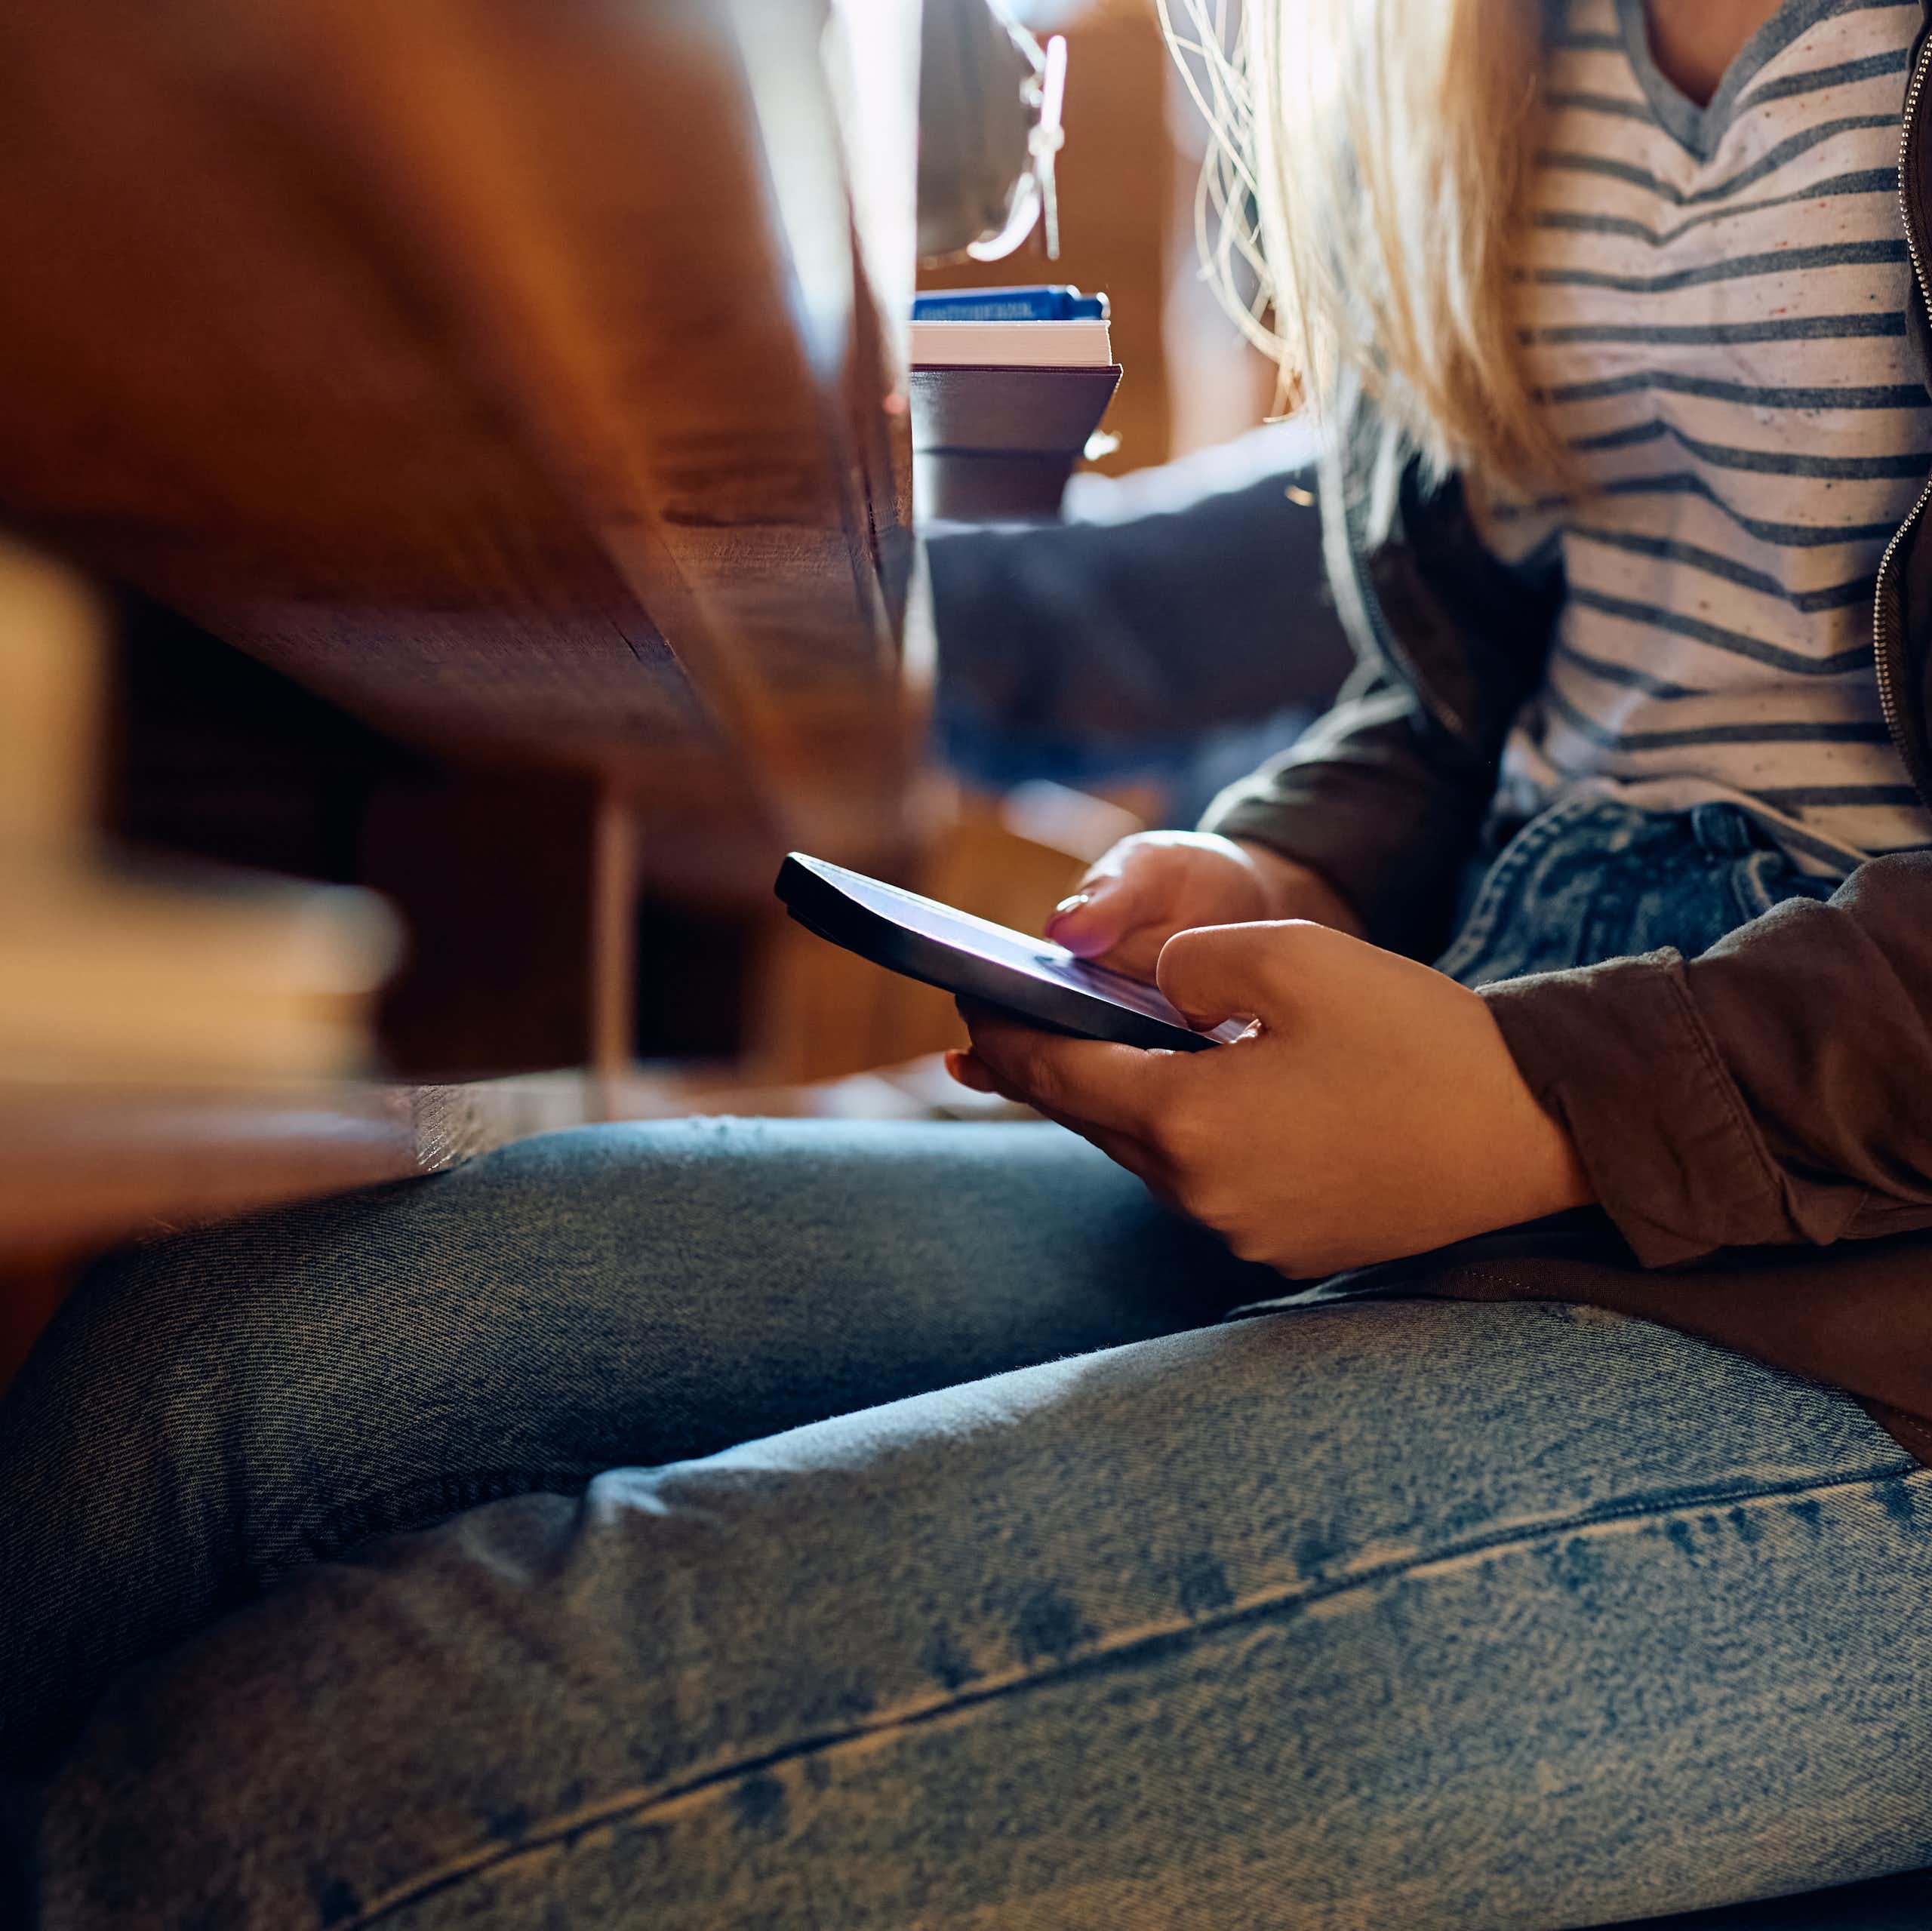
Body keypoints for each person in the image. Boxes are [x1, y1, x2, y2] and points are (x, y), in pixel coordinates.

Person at [11, 1, 1932, 1923]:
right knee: (198, 1399)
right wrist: (1284, 865)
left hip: (1856, 1314)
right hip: (1518, 1065)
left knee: (282, 1805)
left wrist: (1550, 1106)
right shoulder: (1506, 49)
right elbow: (1494, 679)